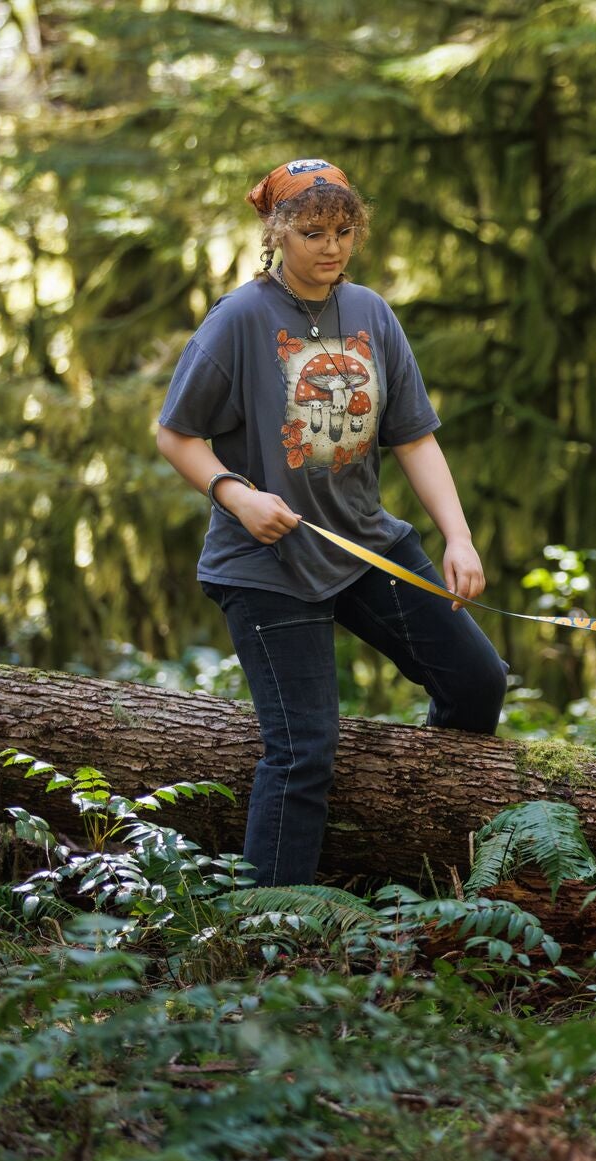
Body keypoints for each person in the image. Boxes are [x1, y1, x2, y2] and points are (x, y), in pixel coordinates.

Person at [154, 158, 507, 887]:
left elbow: (413, 435)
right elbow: (175, 435)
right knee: (304, 749)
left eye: (344, 230)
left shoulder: (372, 314)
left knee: (478, 681)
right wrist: (235, 494)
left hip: (361, 544)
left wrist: (458, 534)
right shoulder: (240, 319)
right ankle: (267, 936)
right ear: (277, 231)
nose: (332, 246)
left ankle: (406, 842)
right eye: (313, 231)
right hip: (266, 566)